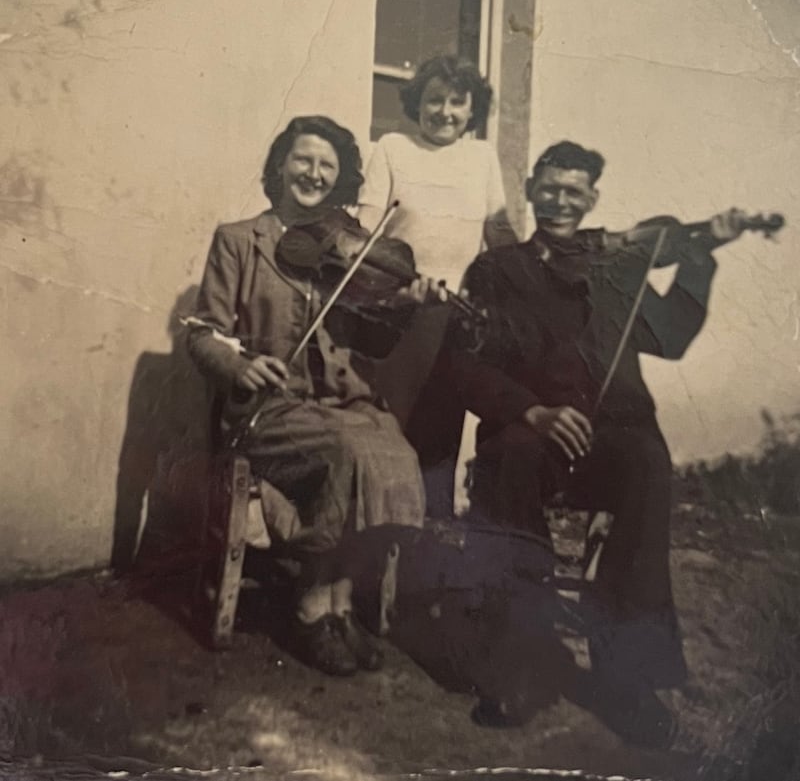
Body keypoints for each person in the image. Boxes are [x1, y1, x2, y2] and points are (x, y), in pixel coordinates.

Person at [429, 141, 749, 745]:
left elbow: (672, 337)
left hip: (613, 436)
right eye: (549, 188)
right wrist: (532, 410)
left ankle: (626, 677)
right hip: (530, 431)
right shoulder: (495, 271)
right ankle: (521, 665)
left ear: (593, 199)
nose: (560, 201)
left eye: (574, 191)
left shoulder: (619, 265)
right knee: (511, 462)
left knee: (648, 462)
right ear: (529, 191)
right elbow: (463, 366)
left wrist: (700, 255)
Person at [186, 116, 433, 677]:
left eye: (328, 165)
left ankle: (340, 605)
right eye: (303, 160)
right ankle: (309, 606)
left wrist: (404, 305)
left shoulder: (344, 251)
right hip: (267, 410)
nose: (314, 173)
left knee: (394, 447)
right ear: (280, 166)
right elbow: (202, 331)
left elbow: (371, 341)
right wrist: (241, 364)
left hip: (336, 406)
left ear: (340, 178)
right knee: (348, 452)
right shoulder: (238, 239)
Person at [359, 55, 518, 511]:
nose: (444, 112)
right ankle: (375, 555)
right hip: (397, 314)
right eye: (434, 101)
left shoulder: (481, 156)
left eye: (456, 102)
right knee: (389, 431)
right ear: (417, 104)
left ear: (472, 109)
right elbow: (365, 237)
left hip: (456, 319)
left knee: (439, 442)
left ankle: (425, 555)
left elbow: (500, 236)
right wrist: (390, 290)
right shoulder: (392, 147)